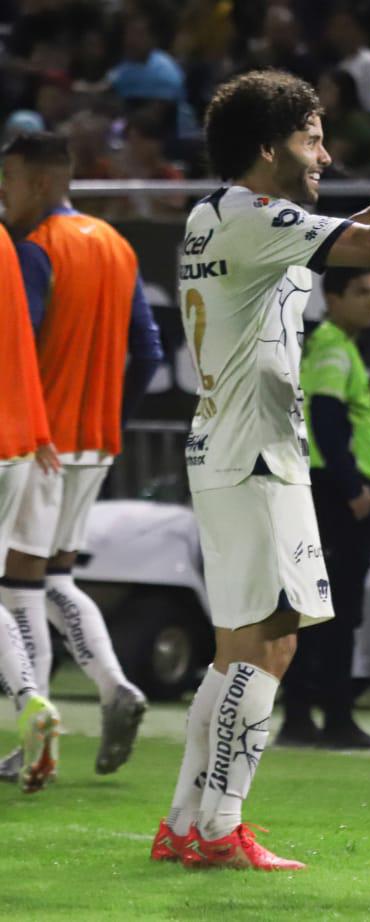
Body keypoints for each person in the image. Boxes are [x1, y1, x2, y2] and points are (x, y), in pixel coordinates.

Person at [149, 69, 370, 871]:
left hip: (225, 449)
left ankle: (185, 820)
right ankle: (220, 828)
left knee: (234, 652)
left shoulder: (217, 215)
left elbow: (359, 229)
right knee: (272, 648)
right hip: (259, 456)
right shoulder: (253, 218)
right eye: (310, 140)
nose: (324, 155)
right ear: (268, 148)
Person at [0, 131, 163, 782]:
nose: (5, 194)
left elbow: (21, 343)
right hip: (95, 443)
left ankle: (34, 727)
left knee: (18, 587)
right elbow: (148, 351)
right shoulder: (117, 245)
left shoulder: (36, 249)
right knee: (56, 580)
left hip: (39, 442)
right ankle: (114, 684)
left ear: (40, 182)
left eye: (10, 180)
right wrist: (110, 423)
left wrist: (40, 424)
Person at [279, 268, 370, 752]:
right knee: (336, 611)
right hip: (335, 495)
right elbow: (325, 417)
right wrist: (353, 488)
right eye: (361, 292)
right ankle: (333, 719)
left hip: (325, 491)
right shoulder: (332, 345)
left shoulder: (334, 344)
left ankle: (302, 718)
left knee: (316, 608)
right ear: (332, 297)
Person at [0, 220, 63, 796]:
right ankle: (29, 699)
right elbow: (21, 337)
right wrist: (38, 428)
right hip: (17, 443)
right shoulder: (4, 241)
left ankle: (28, 698)